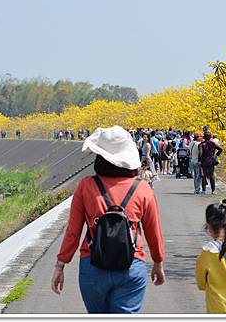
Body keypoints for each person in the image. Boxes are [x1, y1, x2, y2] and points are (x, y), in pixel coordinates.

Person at [51, 125, 166, 313]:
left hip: (92, 265)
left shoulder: (85, 186)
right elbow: (154, 232)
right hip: (132, 264)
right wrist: (158, 262)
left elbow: (73, 231)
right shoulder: (143, 189)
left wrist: (61, 264)